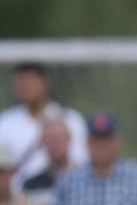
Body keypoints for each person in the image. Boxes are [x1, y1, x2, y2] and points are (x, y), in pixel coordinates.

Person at [0, 62, 88, 191]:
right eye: (21, 82)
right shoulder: (6, 122)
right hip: (21, 198)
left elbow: (82, 160)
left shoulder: (70, 118)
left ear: (46, 83)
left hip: (68, 191)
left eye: (30, 81)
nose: (25, 86)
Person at [22, 118, 73, 205]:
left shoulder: (85, 180)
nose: (55, 144)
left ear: (69, 140)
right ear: (43, 143)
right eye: (51, 139)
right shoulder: (31, 185)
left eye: (59, 138)